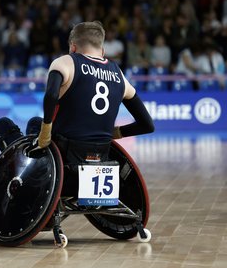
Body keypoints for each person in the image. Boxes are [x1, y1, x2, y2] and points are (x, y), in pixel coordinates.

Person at [25, 21, 154, 178]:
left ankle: (33, 176)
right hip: (102, 153)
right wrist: (116, 133)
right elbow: (147, 125)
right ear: (102, 50)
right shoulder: (119, 74)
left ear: (73, 47)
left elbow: (51, 95)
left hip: (65, 152)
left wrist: (45, 132)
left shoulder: (66, 61)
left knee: (32, 123)